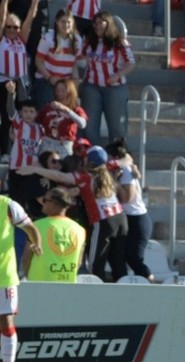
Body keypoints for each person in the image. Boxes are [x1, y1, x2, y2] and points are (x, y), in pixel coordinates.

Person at [18, 145, 128, 282]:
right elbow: (127, 159)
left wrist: (35, 169)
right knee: (118, 262)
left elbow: (60, 176)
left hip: (103, 221)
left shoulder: (85, 177)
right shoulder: (109, 168)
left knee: (95, 264)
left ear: (89, 161)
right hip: (121, 219)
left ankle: (98, 299)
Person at [0, 189, 41, 362]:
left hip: (4, 276)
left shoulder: (8, 205)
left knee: (6, 322)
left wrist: (37, 243)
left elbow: (30, 228)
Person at [80, 10, 135, 146]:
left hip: (115, 89)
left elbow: (131, 63)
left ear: (108, 23)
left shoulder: (120, 42)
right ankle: (92, 157)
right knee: (89, 126)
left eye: (101, 23)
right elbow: (79, 60)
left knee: (117, 126)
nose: (97, 26)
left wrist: (117, 75)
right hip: (92, 87)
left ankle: (118, 158)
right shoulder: (88, 42)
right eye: (95, 23)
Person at [106, 139, 152, 282]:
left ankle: (153, 286)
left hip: (136, 219)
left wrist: (115, 183)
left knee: (134, 258)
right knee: (120, 256)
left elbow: (128, 198)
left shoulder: (125, 171)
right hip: (127, 218)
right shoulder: (123, 168)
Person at [0, 0, 38, 160]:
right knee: (6, 117)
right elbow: (2, 18)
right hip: (4, 82)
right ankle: (4, 152)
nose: (12, 30)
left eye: (15, 27)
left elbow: (29, 19)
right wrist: (5, 2)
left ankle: (19, 150)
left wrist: (34, 3)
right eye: (9, 27)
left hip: (21, 83)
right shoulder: (1, 38)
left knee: (21, 118)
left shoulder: (21, 39)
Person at [23, 186, 85, 283]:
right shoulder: (80, 230)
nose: (42, 203)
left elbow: (26, 259)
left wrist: (29, 278)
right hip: (67, 285)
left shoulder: (36, 226)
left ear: (55, 204)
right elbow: (79, 262)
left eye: (45, 200)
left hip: (38, 285)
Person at [33, 8, 82, 109]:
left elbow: (74, 64)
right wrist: (50, 78)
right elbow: (38, 61)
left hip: (66, 82)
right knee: (46, 112)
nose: (66, 25)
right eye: (63, 21)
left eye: (69, 22)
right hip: (46, 80)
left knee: (66, 113)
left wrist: (75, 86)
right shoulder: (48, 38)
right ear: (57, 22)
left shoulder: (77, 40)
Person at [37, 78, 88, 158]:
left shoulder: (76, 109)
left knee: (63, 167)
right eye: (57, 90)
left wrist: (67, 110)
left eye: (63, 90)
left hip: (65, 144)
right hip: (48, 142)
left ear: (70, 91)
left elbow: (82, 124)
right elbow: (36, 121)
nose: (59, 93)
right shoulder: (48, 107)